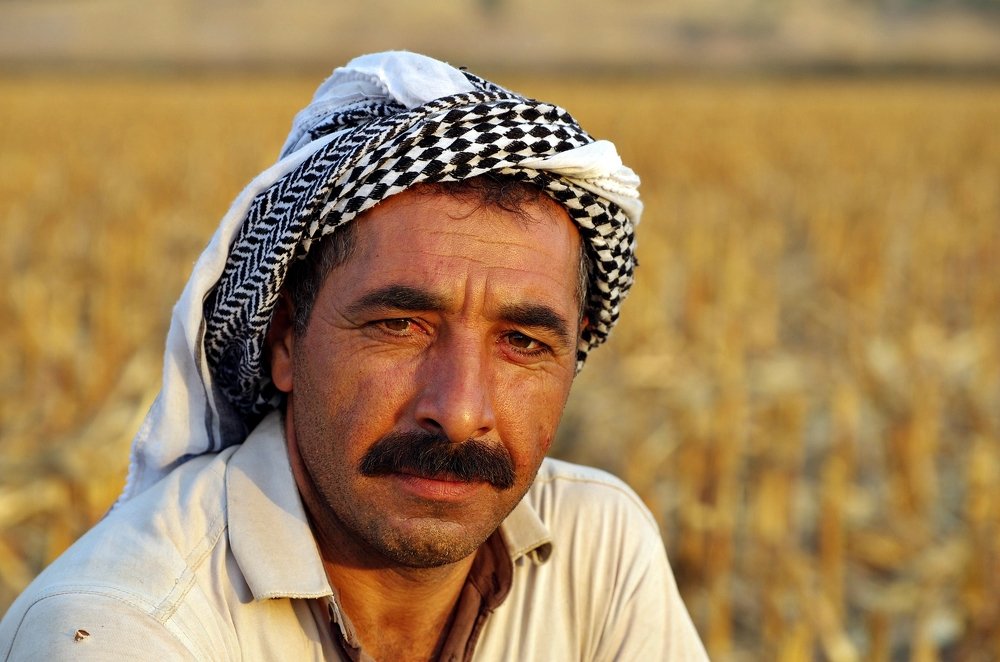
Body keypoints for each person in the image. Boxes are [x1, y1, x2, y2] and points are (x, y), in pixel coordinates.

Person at [0, 52, 707, 661]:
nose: (460, 413)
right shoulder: (122, 629)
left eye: (522, 343)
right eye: (401, 325)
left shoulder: (600, 546)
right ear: (284, 338)